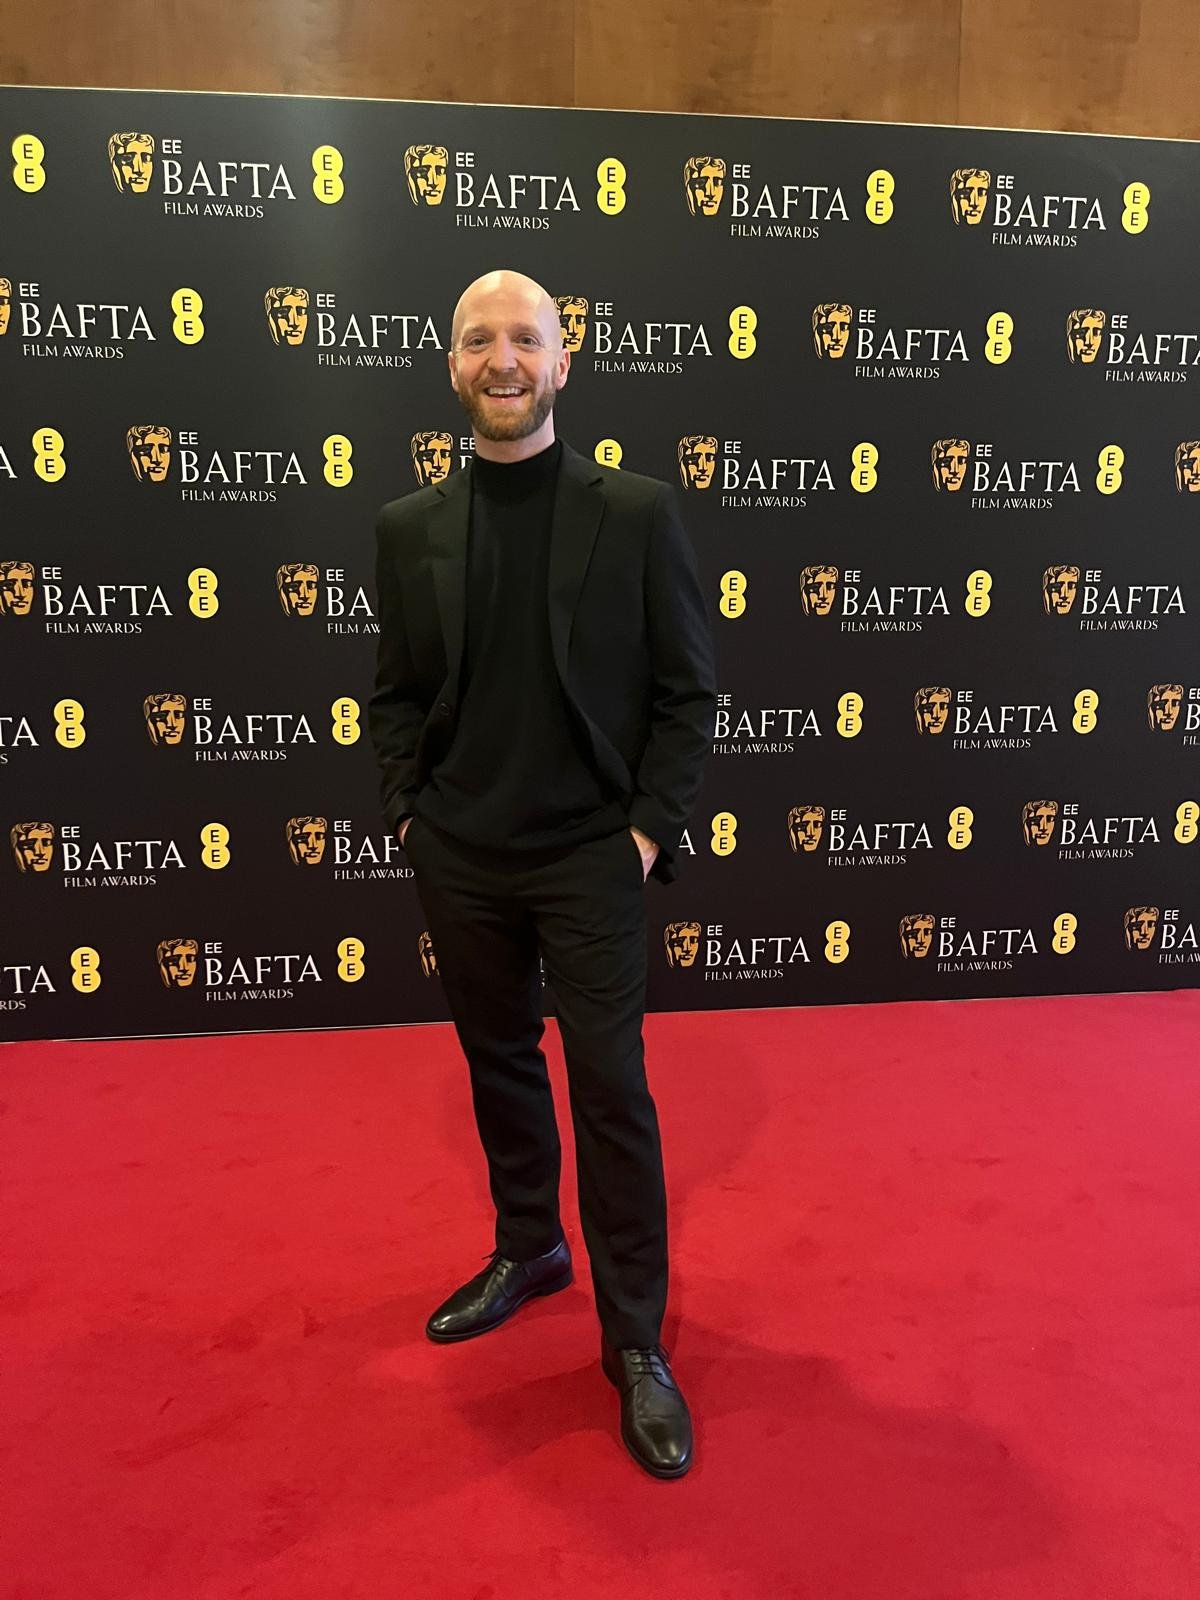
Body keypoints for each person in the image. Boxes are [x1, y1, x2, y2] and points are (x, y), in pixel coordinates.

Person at [367, 268, 716, 1479]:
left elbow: (688, 694)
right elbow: (396, 692)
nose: (502, 358)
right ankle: (531, 1244)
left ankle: (635, 1346)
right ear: (451, 365)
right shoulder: (408, 528)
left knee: (611, 1088)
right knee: (498, 1056)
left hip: (588, 855)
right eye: (479, 339)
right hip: (459, 852)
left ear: (565, 362)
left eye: (526, 338)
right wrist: (408, 812)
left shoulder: (638, 513)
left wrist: (643, 834)